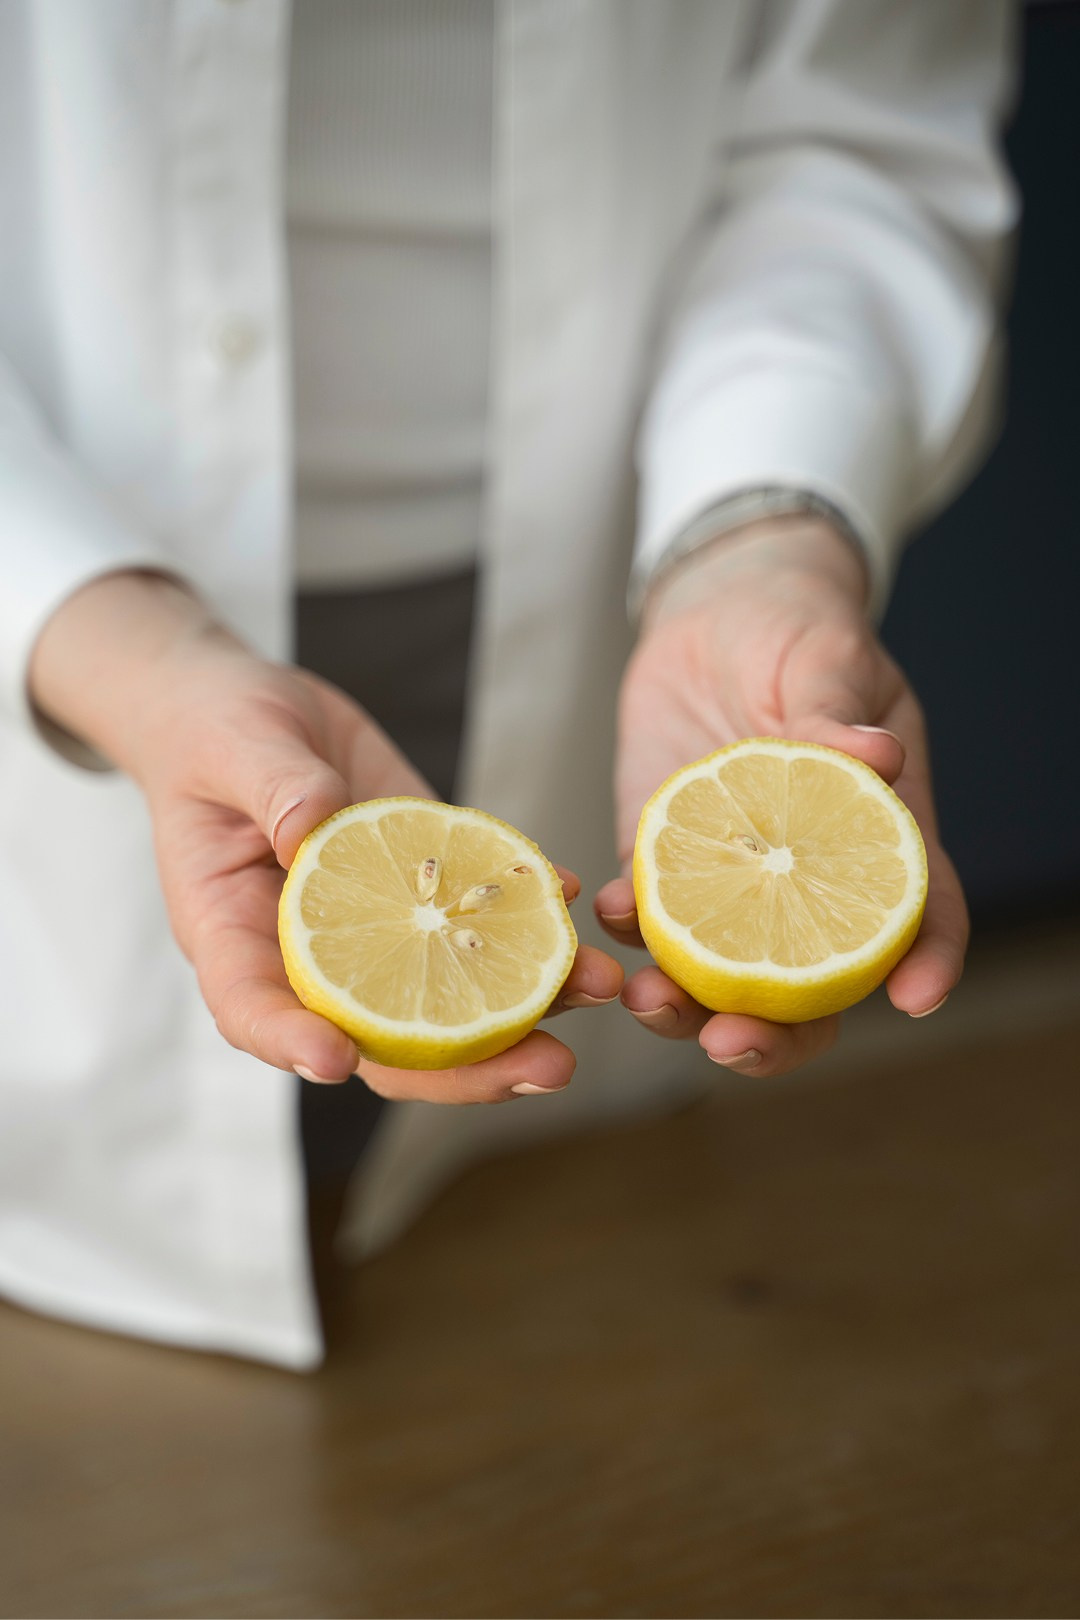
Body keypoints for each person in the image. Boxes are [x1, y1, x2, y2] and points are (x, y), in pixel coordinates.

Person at [0, 0, 1016, 1366]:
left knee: (555, 1284)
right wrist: (104, 631)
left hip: (614, 583)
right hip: (59, 627)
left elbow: (858, 133)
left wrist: (760, 535)